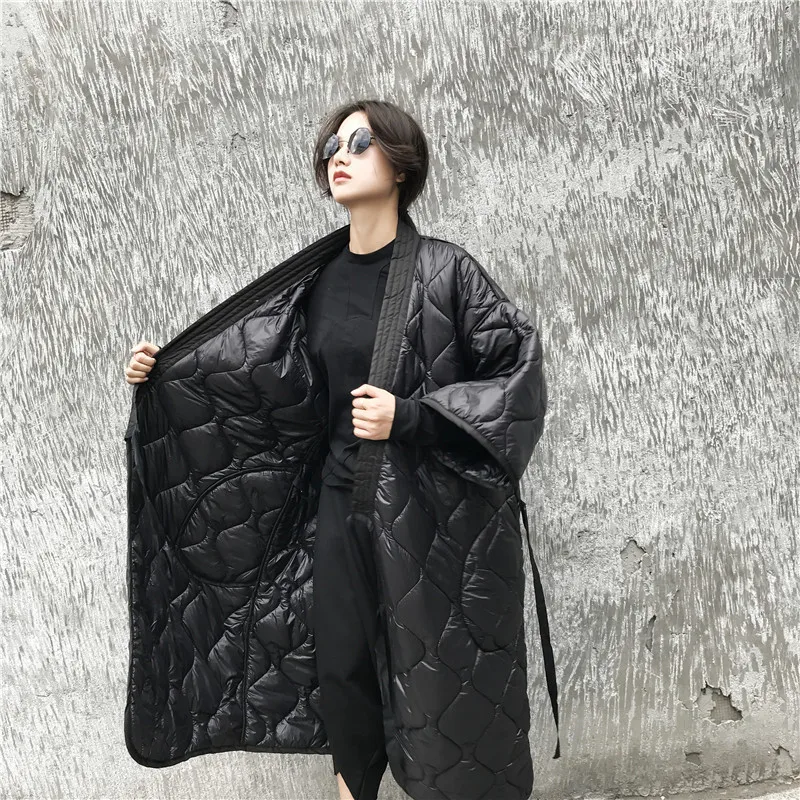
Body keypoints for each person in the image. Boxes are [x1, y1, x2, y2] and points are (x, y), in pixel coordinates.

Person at [124, 99, 527, 800]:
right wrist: (163, 374)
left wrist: (411, 416)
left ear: (401, 165)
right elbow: (257, 378)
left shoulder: (448, 273)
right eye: (332, 147)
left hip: (427, 512)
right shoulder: (317, 280)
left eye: (360, 143)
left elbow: (516, 380)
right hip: (340, 501)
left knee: (435, 672)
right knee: (341, 666)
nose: (339, 155)